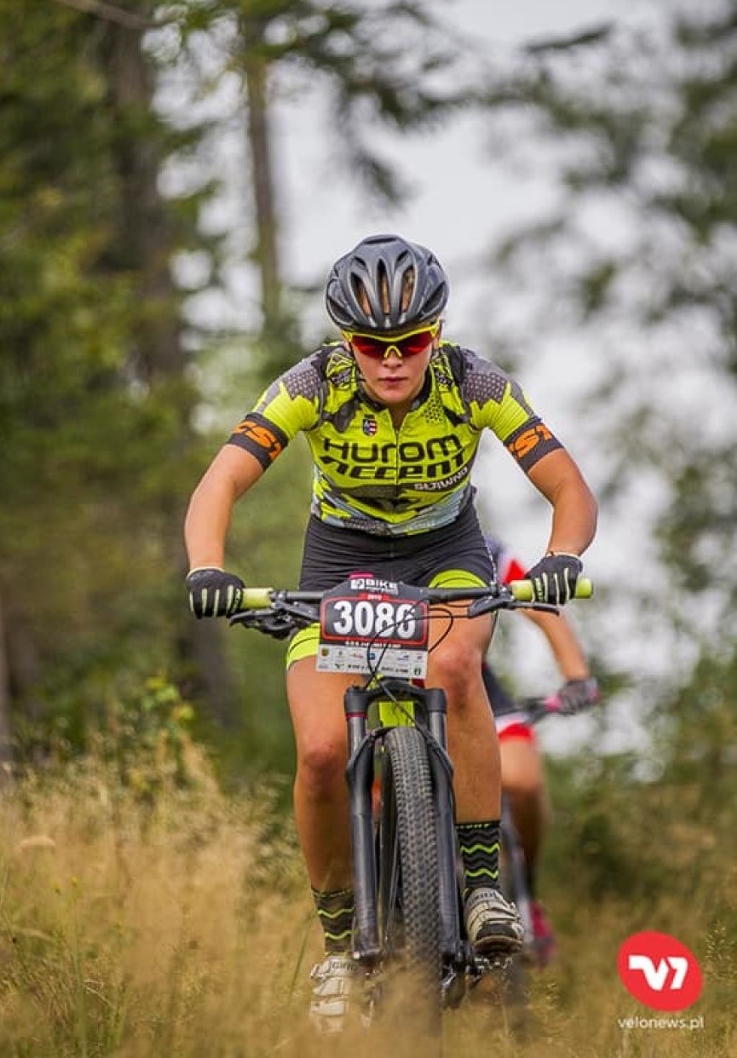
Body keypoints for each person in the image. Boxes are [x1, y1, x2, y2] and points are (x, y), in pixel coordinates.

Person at [183, 234, 598, 1031]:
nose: (391, 360)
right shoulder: (312, 383)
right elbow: (223, 478)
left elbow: (567, 485)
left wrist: (561, 555)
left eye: (410, 342)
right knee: (318, 752)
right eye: (373, 346)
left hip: (446, 556)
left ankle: (481, 884)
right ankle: (339, 949)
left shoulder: (475, 382)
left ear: (434, 335)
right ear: (348, 343)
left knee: (452, 668)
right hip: (340, 564)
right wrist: (208, 566)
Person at [483, 534, 599, 967]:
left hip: (478, 696)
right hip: (387, 698)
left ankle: (525, 892)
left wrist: (576, 677)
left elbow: (540, 608)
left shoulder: (483, 549)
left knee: (523, 781)